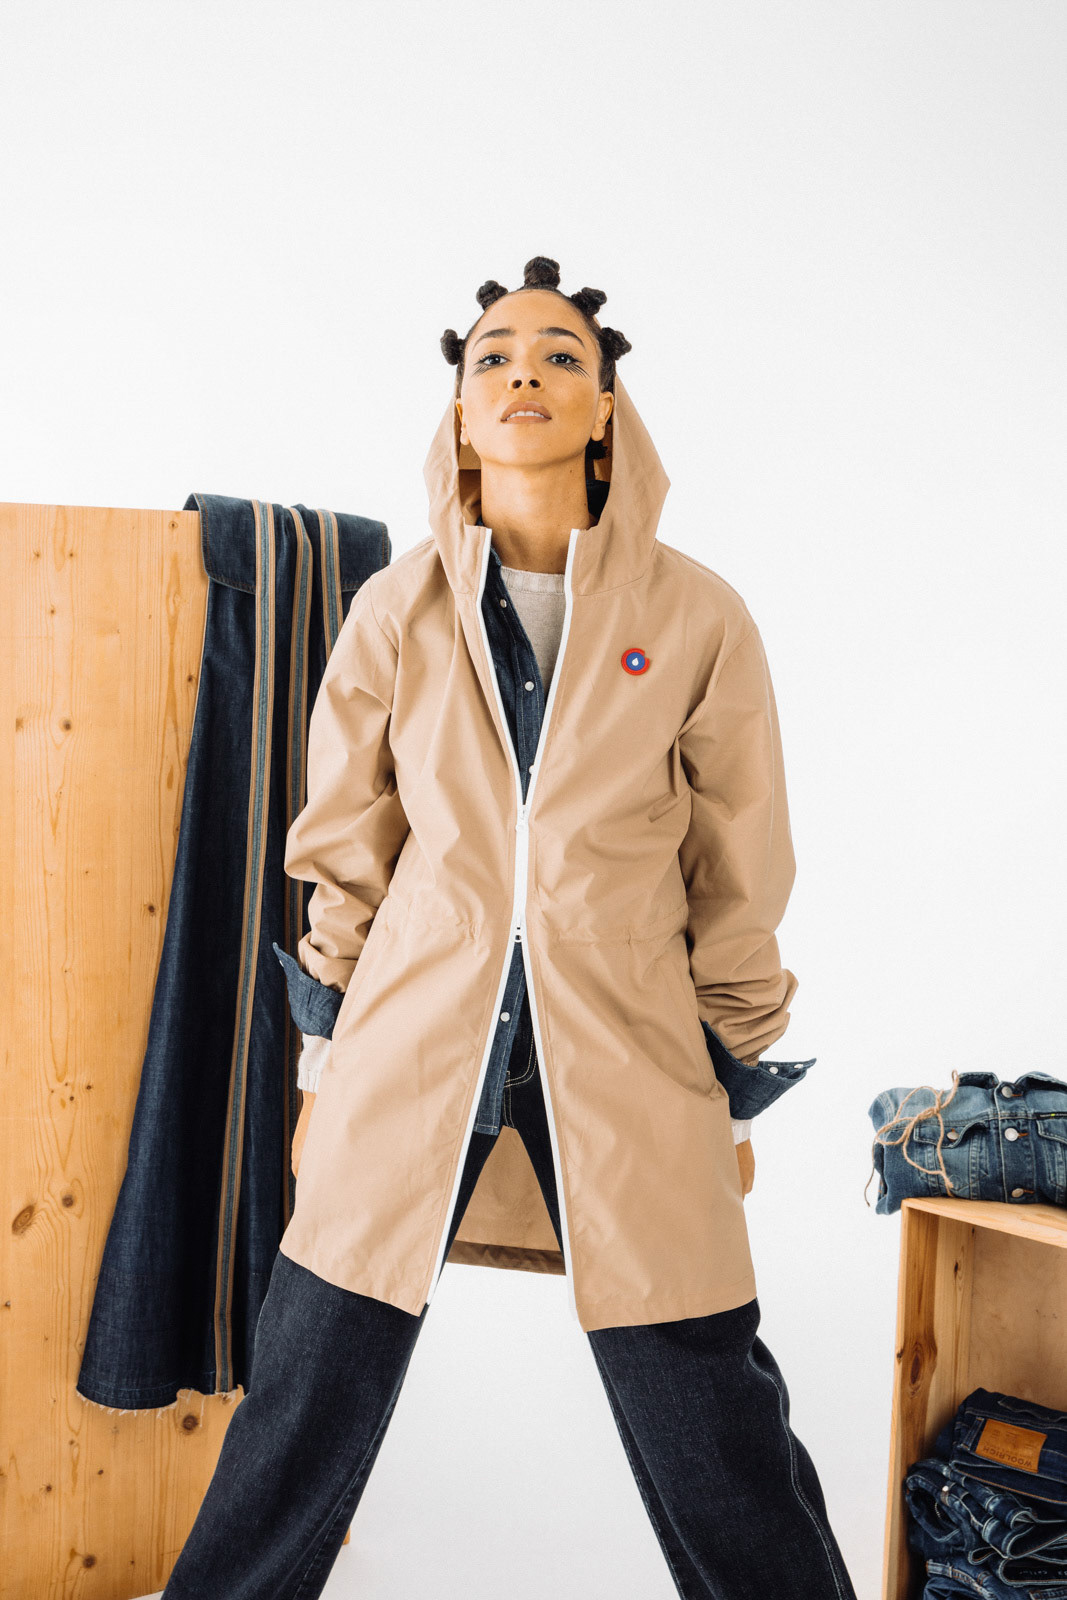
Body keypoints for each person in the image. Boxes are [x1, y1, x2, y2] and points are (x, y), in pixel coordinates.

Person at [163, 255, 857, 1599]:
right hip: (413, 1034)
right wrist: (324, 1057)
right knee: (308, 1376)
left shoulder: (696, 615)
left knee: (705, 1392)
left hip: (632, 1040)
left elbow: (739, 859)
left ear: (607, 407)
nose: (523, 372)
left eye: (558, 355)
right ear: (461, 413)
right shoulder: (399, 606)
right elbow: (346, 838)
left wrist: (731, 1074)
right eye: (493, 357)